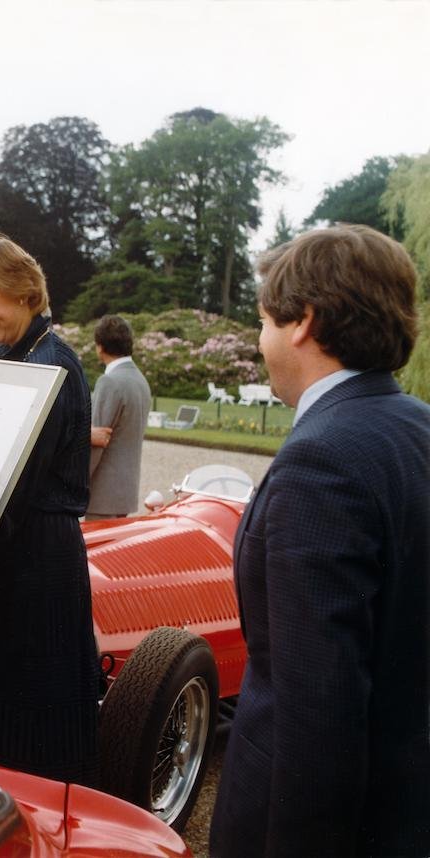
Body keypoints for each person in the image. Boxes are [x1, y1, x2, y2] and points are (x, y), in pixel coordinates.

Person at [210, 225, 430, 858]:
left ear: (303, 321)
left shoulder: (321, 459)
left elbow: (318, 710)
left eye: (263, 322)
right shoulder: (414, 427)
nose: (260, 341)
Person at [0, 234, 99, 785]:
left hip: (38, 554)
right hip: (4, 545)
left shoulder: (55, 365)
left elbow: (12, 480)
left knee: (34, 706)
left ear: (24, 293)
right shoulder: (5, 355)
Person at [86, 315, 151, 519]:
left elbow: (98, 440)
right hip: (126, 492)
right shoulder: (141, 380)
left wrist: (77, 482)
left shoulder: (109, 382)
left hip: (102, 495)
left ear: (100, 347)